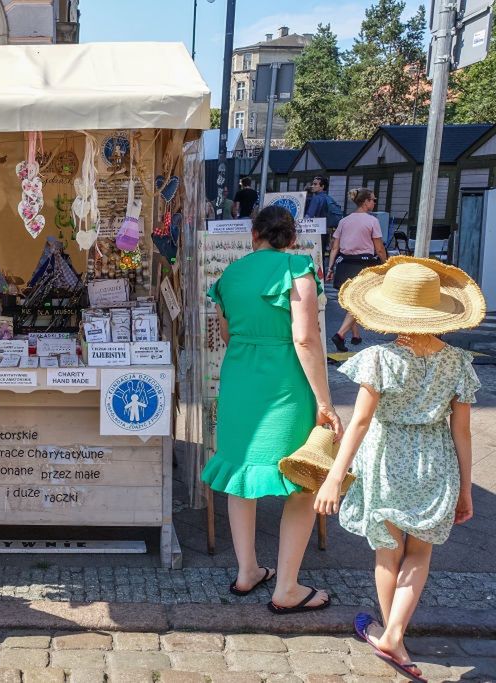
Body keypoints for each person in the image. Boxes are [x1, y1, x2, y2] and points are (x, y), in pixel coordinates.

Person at [314, 256, 484, 682]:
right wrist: (466, 487)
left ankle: (393, 635)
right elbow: (462, 432)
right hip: (435, 460)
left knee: (387, 554)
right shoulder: (458, 363)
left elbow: (361, 421)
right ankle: (393, 635)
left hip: (387, 459)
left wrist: (336, 473)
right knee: (419, 554)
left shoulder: (380, 358)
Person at [202, 206, 343, 612]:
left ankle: (247, 571)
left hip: (240, 380)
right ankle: (286, 588)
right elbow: (306, 338)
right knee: (301, 478)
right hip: (284, 384)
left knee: (238, 473)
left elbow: (227, 333)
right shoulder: (298, 268)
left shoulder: (229, 275)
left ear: (254, 236)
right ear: (292, 239)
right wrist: (324, 401)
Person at [326, 188, 388, 351]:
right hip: (362, 265)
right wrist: (386, 264)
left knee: (350, 301)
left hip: (344, 264)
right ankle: (340, 334)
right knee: (360, 302)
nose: (374, 202)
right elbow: (379, 248)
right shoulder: (372, 221)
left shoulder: (344, 221)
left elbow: (334, 248)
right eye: (373, 200)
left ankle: (356, 336)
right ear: (366, 201)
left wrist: (330, 268)